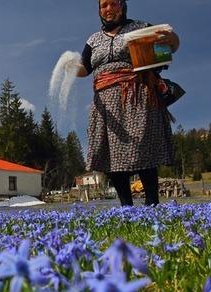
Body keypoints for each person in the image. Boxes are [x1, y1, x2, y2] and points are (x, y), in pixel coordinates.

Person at [76, 0, 180, 206]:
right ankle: (126, 208)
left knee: (143, 148)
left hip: (137, 96)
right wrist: (68, 65)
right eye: (103, 5)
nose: (108, 9)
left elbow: (171, 45)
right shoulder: (93, 40)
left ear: (122, 6)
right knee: (112, 155)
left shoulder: (140, 27)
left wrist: (173, 39)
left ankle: (152, 204)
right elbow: (84, 69)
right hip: (105, 103)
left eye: (113, 4)